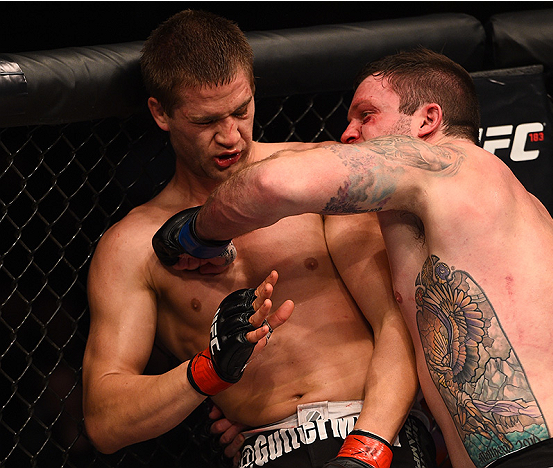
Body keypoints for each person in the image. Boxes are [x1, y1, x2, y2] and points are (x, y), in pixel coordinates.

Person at [154, 48, 553, 468]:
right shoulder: (507, 209)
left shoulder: (443, 163)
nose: (348, 134)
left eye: (366, 115)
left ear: (427, 120)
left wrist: (193, 234)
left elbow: (270, 183)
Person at [82, 10, 438, 468]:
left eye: (241, 110)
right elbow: (105, 420)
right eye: (205, 120)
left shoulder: (321, 175)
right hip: (264, 452)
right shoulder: (132, 244)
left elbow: (399, 321)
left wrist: (366, 449)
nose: (230, 136)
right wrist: (206, 371)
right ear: (161, 113)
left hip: (374, 431)